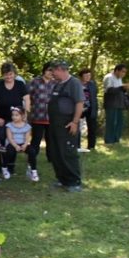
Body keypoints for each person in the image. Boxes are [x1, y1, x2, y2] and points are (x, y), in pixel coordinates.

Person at [47, 60, 84, 192]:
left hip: (67, 123)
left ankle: (74, 182)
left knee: (68, 152)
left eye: (53, 71)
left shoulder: (74, 83)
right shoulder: (57, 84)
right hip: (55, 124)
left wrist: (74, 122)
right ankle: (62, 179)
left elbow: (79, 103)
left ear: (61, 69)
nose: (52, 73)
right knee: (56, 152)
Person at [0, 62, 30, 174]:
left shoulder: (20, 84)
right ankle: (2, 165)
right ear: (3, 75)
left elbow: (27, 99)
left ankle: (10, 167)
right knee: (2, 140)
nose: (8, 77)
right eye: (6, 75)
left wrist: (25, 115)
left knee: (14, 141)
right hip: (3, 118)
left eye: (11, 74)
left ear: (15, 74)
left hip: (17, 119)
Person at [27, 62, 56, 162]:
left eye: (53, 71)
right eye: (49, 70)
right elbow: (27, 96)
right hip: (37, 115)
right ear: (44, 70)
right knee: (36, 140)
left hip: (51, 117)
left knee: (51, 140)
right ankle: (32, 158)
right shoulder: (35, 82)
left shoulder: (55, 83)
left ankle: (51, 159)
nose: (51, 72)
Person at [4, 107, 38, 181]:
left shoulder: (27, 126)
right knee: (9, 152)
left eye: (16, 115)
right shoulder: (9, 125)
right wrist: (16, 146)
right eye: (13, 115)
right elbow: (10, 138)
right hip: (12, 143)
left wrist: (25, 145)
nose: (14, 117)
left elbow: (27, 138)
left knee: (32, 151)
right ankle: (5, 168)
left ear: (22, 116)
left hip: (23, 143)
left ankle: (34, 171)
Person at [102, 64, 129, 144]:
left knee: (119, 122)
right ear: (117, 70)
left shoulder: (119, 79)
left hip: (119, 103)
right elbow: (109, 91)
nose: (124, 74)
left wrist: (124, 89)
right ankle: (109, 141)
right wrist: (122, 87)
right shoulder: (109, 77)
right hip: (111, 104)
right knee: (111, 122)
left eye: (125, 72)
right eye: (122, 71)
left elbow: (119, 90)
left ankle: (116, 140)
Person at [78, 68, 98, 150]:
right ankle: (76, 145)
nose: (88, 77)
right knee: (77, 127)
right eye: (86, 75)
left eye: (89, 75)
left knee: (92, 128)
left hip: (90, 108)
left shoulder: (92, 84)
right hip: (79, 108)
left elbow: (94, 95)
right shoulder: (76, 84)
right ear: (81, 76)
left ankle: (91, 146)